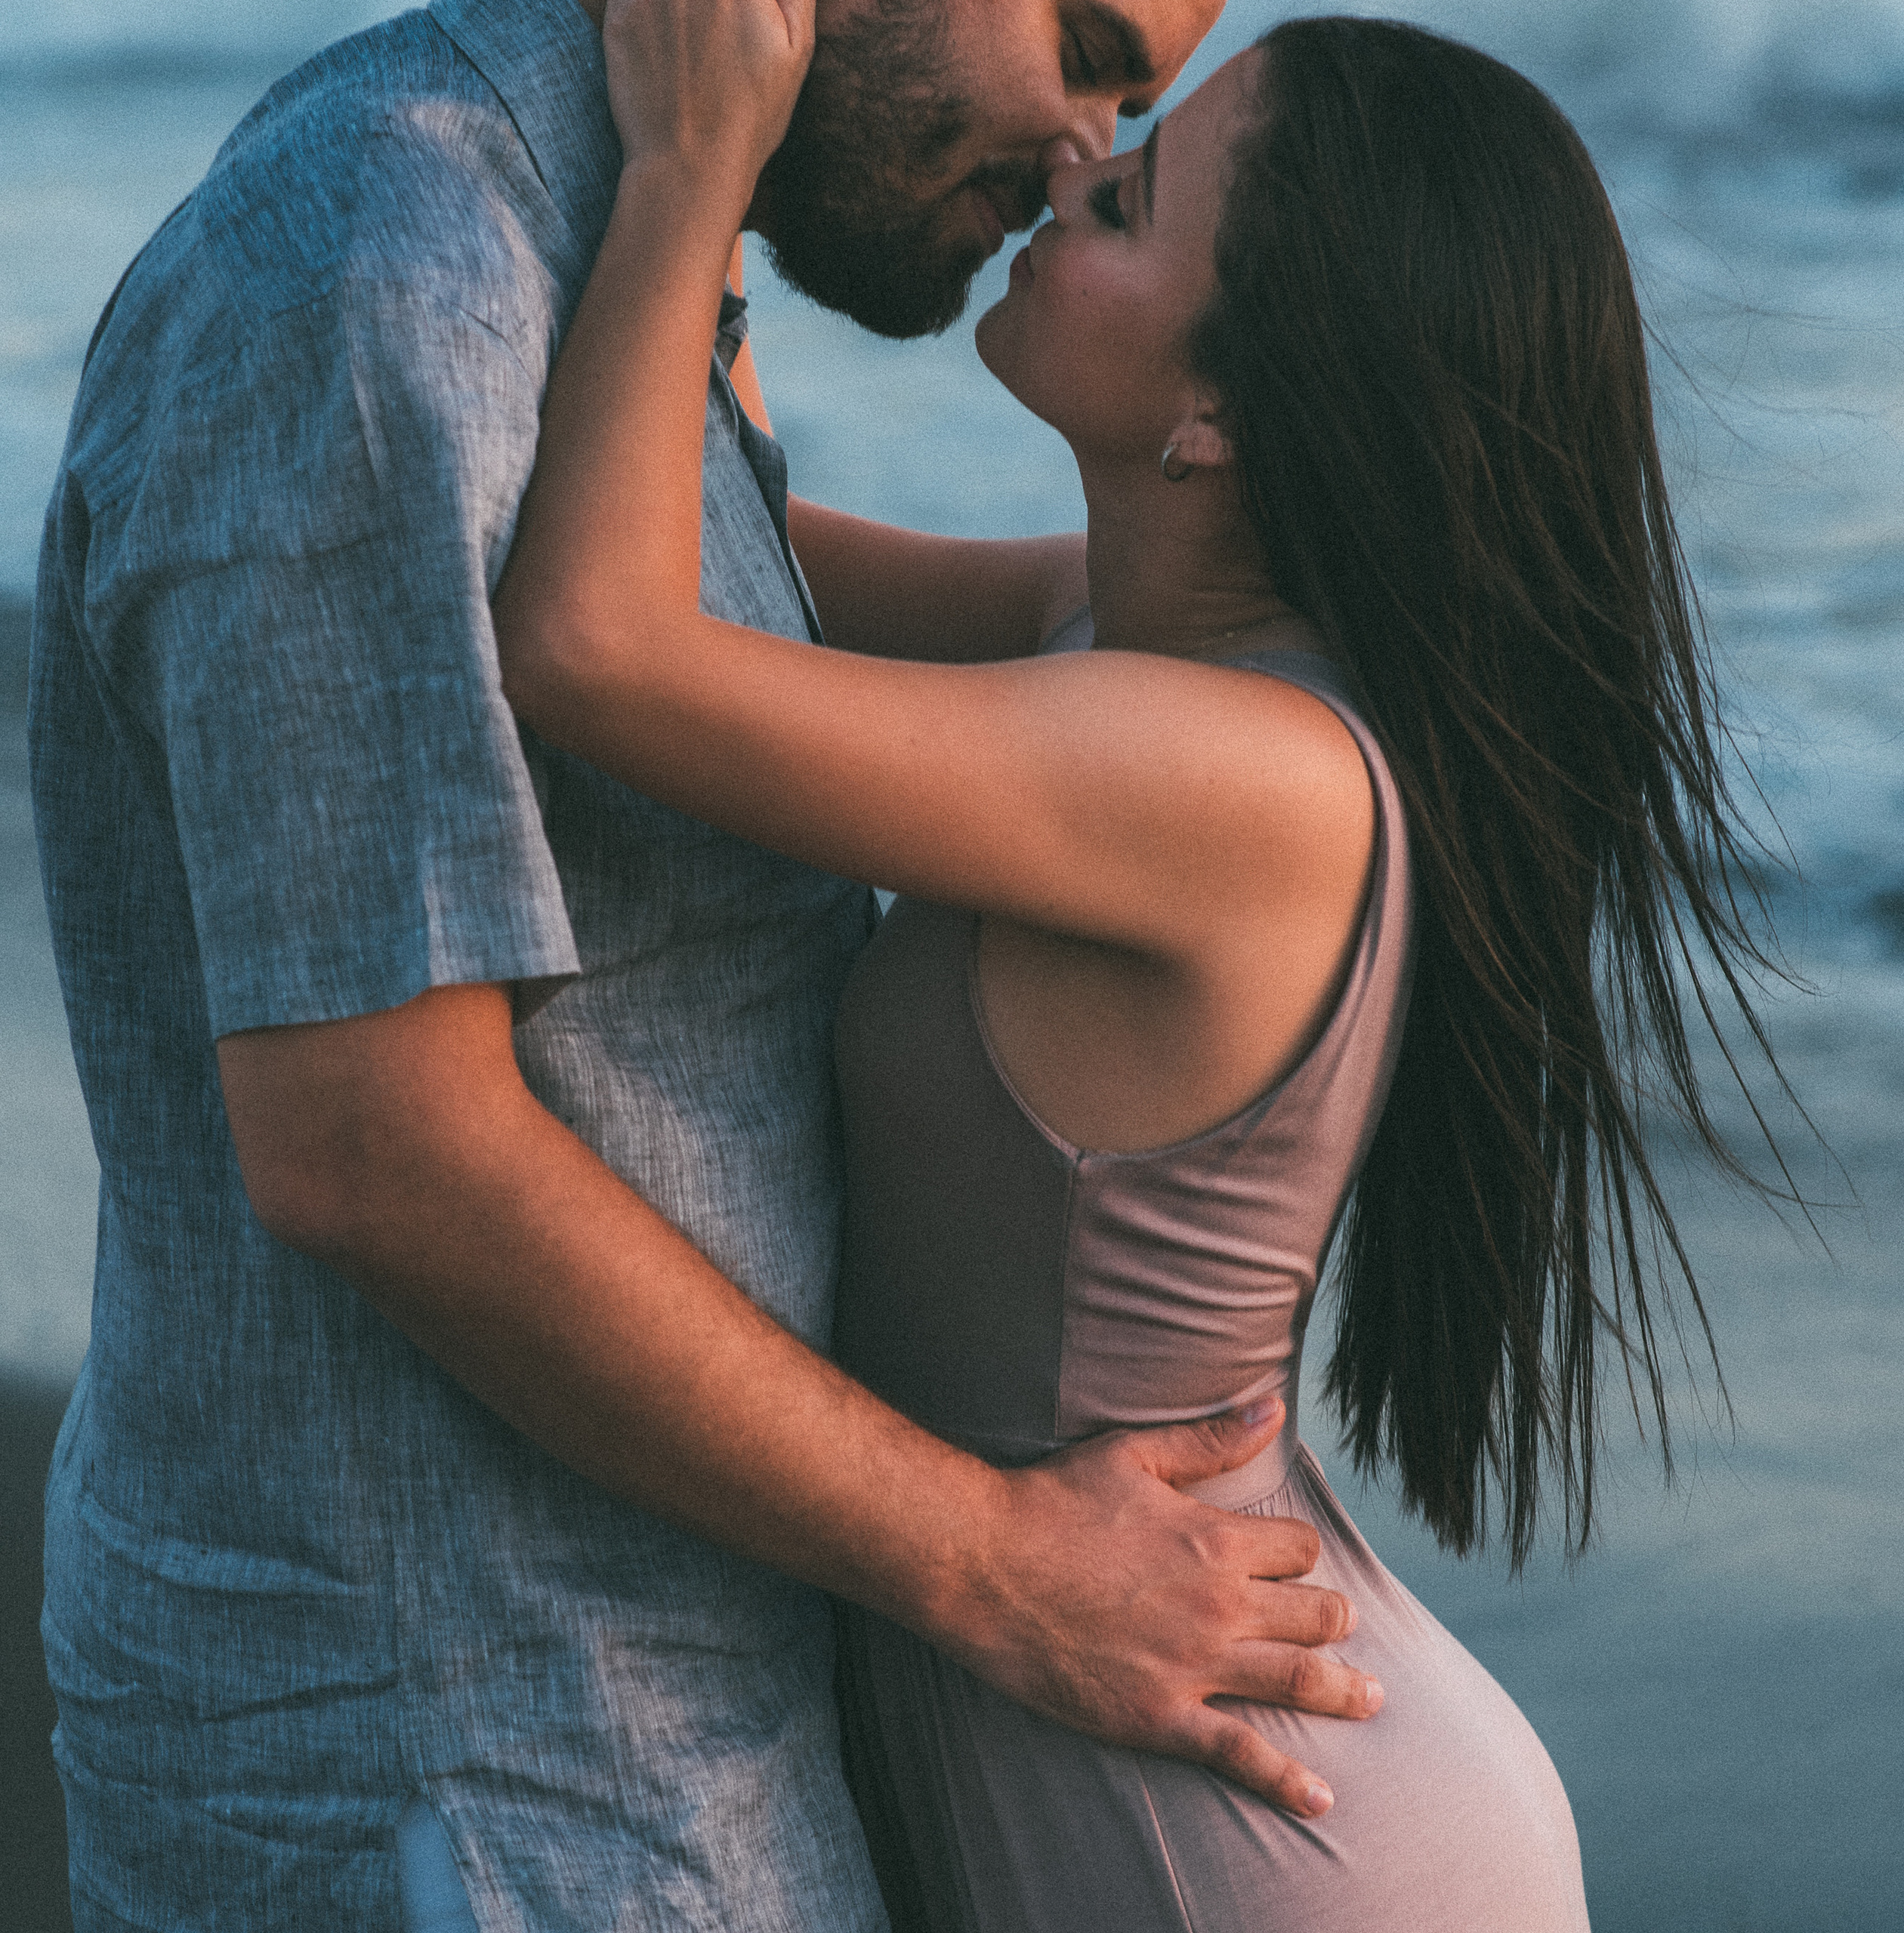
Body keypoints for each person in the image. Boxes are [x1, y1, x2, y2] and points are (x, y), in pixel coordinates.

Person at [27, 0, 1398, 1925]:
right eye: (1084, 47)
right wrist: (995, 1564)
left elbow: (889, 654)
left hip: (657, 1754)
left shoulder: (637, 268)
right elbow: (370, 1141)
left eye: (1141, 109)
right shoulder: (382, 278)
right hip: (455, 1777)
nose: (1082, 148)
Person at [493, 4, 1794, 1928]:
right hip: (1142, 1713)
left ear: (1222, 408)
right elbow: (718, 564)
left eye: (1136, 191)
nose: (1070, 163)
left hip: (1246, 1831)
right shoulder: (1128, 656)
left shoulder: (1228, 783)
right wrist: (766, 135)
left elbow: (598, 648)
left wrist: (697, 169)